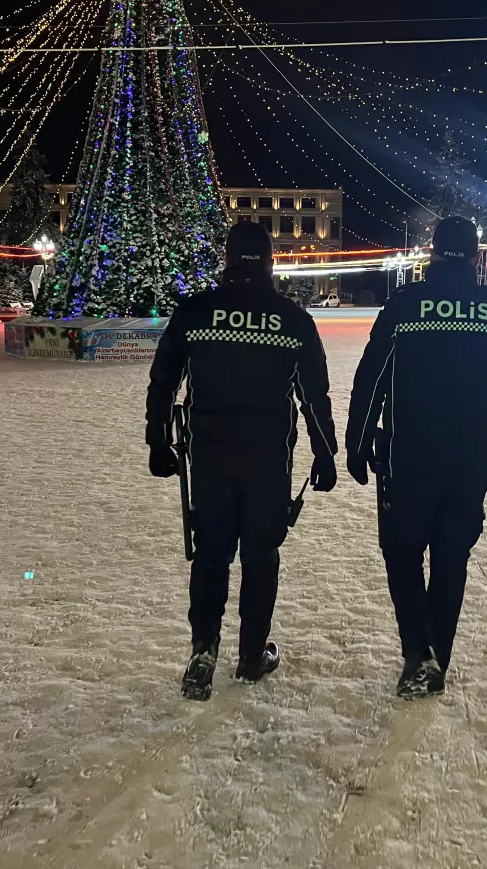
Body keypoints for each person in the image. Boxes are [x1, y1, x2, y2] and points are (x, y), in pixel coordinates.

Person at [345, 217, 487, 699]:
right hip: (470, 460)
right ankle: (434, 658)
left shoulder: (404, 306)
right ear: (476, 256)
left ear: (432, 253)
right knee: (452, 558)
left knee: (402, 553)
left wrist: (357, 441)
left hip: (407, 457)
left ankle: (420, 653)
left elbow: (370, 379)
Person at [146, 221, 339, 701]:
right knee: (260, 557)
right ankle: (252, 655)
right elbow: (314, 396)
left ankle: (203, 651)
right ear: (271, 261)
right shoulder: (292, 320)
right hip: (267, 460)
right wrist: (325, 452)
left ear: (228, 259)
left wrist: (158, 441)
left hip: (210, 457)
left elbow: (163, 382)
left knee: (211, 556)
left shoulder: (196, 312)